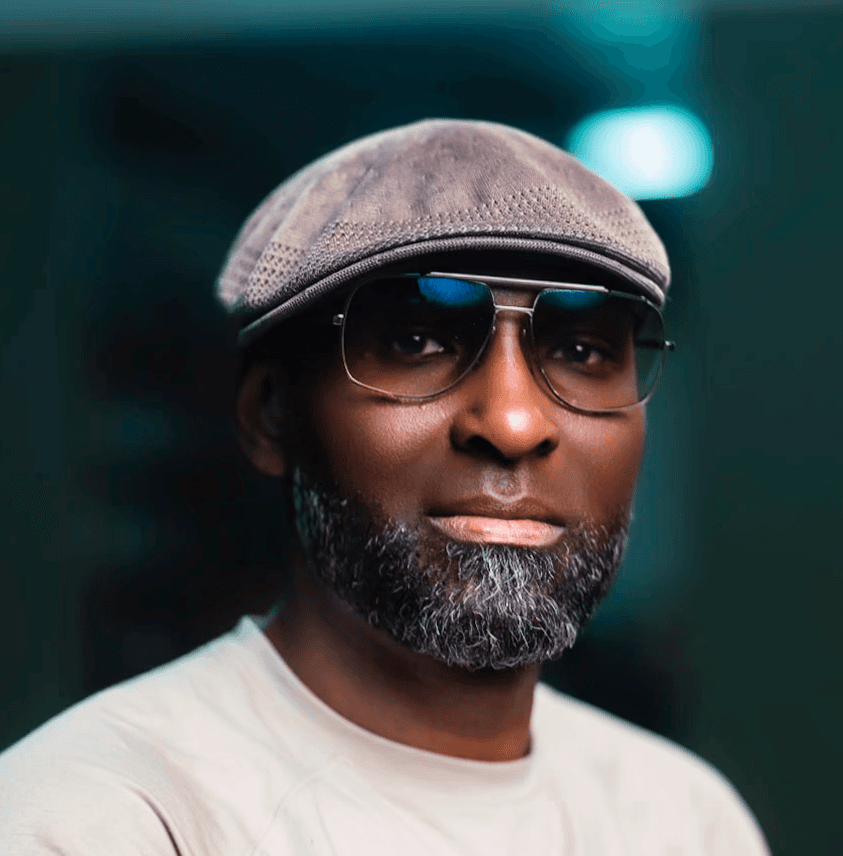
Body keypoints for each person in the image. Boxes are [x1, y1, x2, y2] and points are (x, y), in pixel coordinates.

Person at [0, 119, 769, 855]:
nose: (510, 420)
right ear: (271, 416)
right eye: (416, 340)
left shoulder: (684, 820)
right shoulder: (103, 817)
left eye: (581, 349)